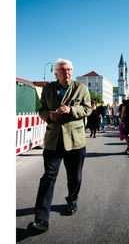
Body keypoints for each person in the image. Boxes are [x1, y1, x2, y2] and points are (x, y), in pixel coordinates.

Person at [28, 58, 92, 233]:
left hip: (75, 141)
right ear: (56, 73)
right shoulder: (48, 89)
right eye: (63, 70)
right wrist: (50, 115)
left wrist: (72, 110)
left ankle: (72, 199)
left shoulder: (81, 88)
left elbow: (88, 109)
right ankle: (41, 220)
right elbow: (40, 110)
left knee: (75, 177)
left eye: (70, 69)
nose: (67, 73)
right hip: (53, 141)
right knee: (48, 178)